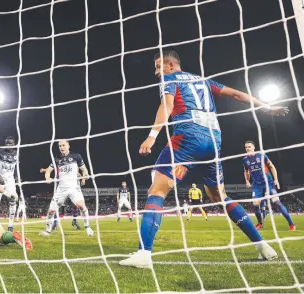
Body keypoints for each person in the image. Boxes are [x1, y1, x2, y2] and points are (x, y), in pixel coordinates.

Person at [119, 50, 288, 268]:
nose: (156, 72)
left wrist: (152, 136)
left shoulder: (169, 79)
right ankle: (263, 246)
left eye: (159, 67)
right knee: (219, 196)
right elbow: (236, 94)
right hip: (214, 141)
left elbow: (168, 106)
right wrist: (266, 107)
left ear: (170, 65)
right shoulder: (204, 81)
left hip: (187, 138)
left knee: (157, 190)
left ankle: (144, 254)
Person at [40, 140, 93, 236]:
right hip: (61, 189)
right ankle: (47, 230)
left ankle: (87, 227)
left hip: (74, 188)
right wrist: (47, 177)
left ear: (68, 146)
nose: (61, 147)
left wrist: (85, 174)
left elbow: (84, 169)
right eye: (60, 146)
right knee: (51, 211)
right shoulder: (56, 159)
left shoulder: (76, 156)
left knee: (81, 206)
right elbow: (48, 171)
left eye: (63, 145)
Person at [243, 141, 295, 231]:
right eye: (246, 147)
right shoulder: (245, 160)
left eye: (249, 147)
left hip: (268, 183)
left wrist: (276, 179)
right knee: (255, 204)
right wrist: (247, 180)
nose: (247, 148)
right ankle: (260, 223)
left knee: (277, 202)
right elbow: (246, 171)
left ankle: (291, 224)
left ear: (254, 147)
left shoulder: (261, 155)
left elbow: (272, 166)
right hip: (257, 185)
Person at [0, 136, 19, 232]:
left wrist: (16, 177)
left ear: (14, 144)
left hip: (10, 181)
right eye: (7, 143)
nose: (8, 145)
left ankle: (10, 225)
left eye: (11, 144)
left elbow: (15, 168)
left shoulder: (16, 154)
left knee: (12, 200)